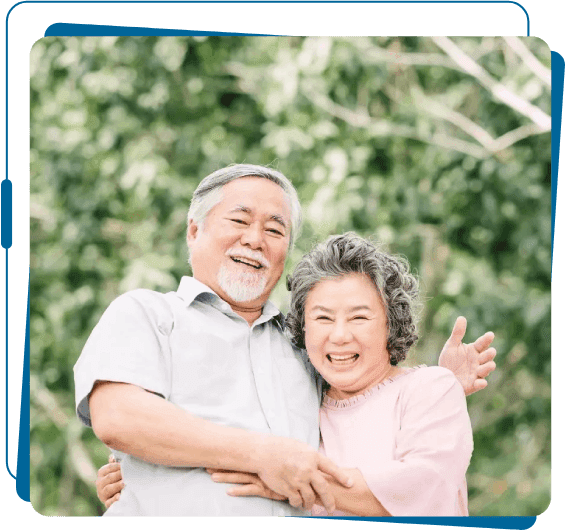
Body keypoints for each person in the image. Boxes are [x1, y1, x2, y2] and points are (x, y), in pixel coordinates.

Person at [77, 164, 496, 516]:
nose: (255, 239)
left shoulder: (303, 348)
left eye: (275, 230)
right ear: (193, 230)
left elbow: (366, 400)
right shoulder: (149, 314)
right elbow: (119, 418)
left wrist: (437, 386)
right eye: (239, 220)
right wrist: (261, 456)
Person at [204, 233, 478, 515]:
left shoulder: (430, 387)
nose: (339, 336)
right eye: (323, 318)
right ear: (303, 326)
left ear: (390, 322)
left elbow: (426, 489)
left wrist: (295, 480)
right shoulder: (300, 405)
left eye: (359, 317)